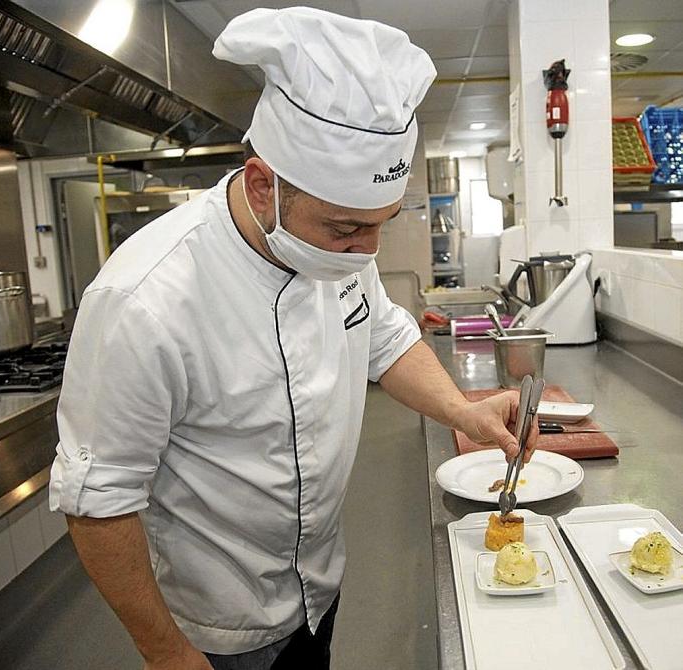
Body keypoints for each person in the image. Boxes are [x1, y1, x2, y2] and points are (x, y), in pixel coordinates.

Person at [49, 7, 538, 670]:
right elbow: (97, 498)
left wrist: (464, 410)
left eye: (380, 225)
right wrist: (165, 652)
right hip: (216, 629)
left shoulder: (336, 251)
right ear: (262, 185)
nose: (366, 249)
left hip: (319, 590)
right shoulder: (146, 300)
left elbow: (386, 339)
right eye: (345, 229)